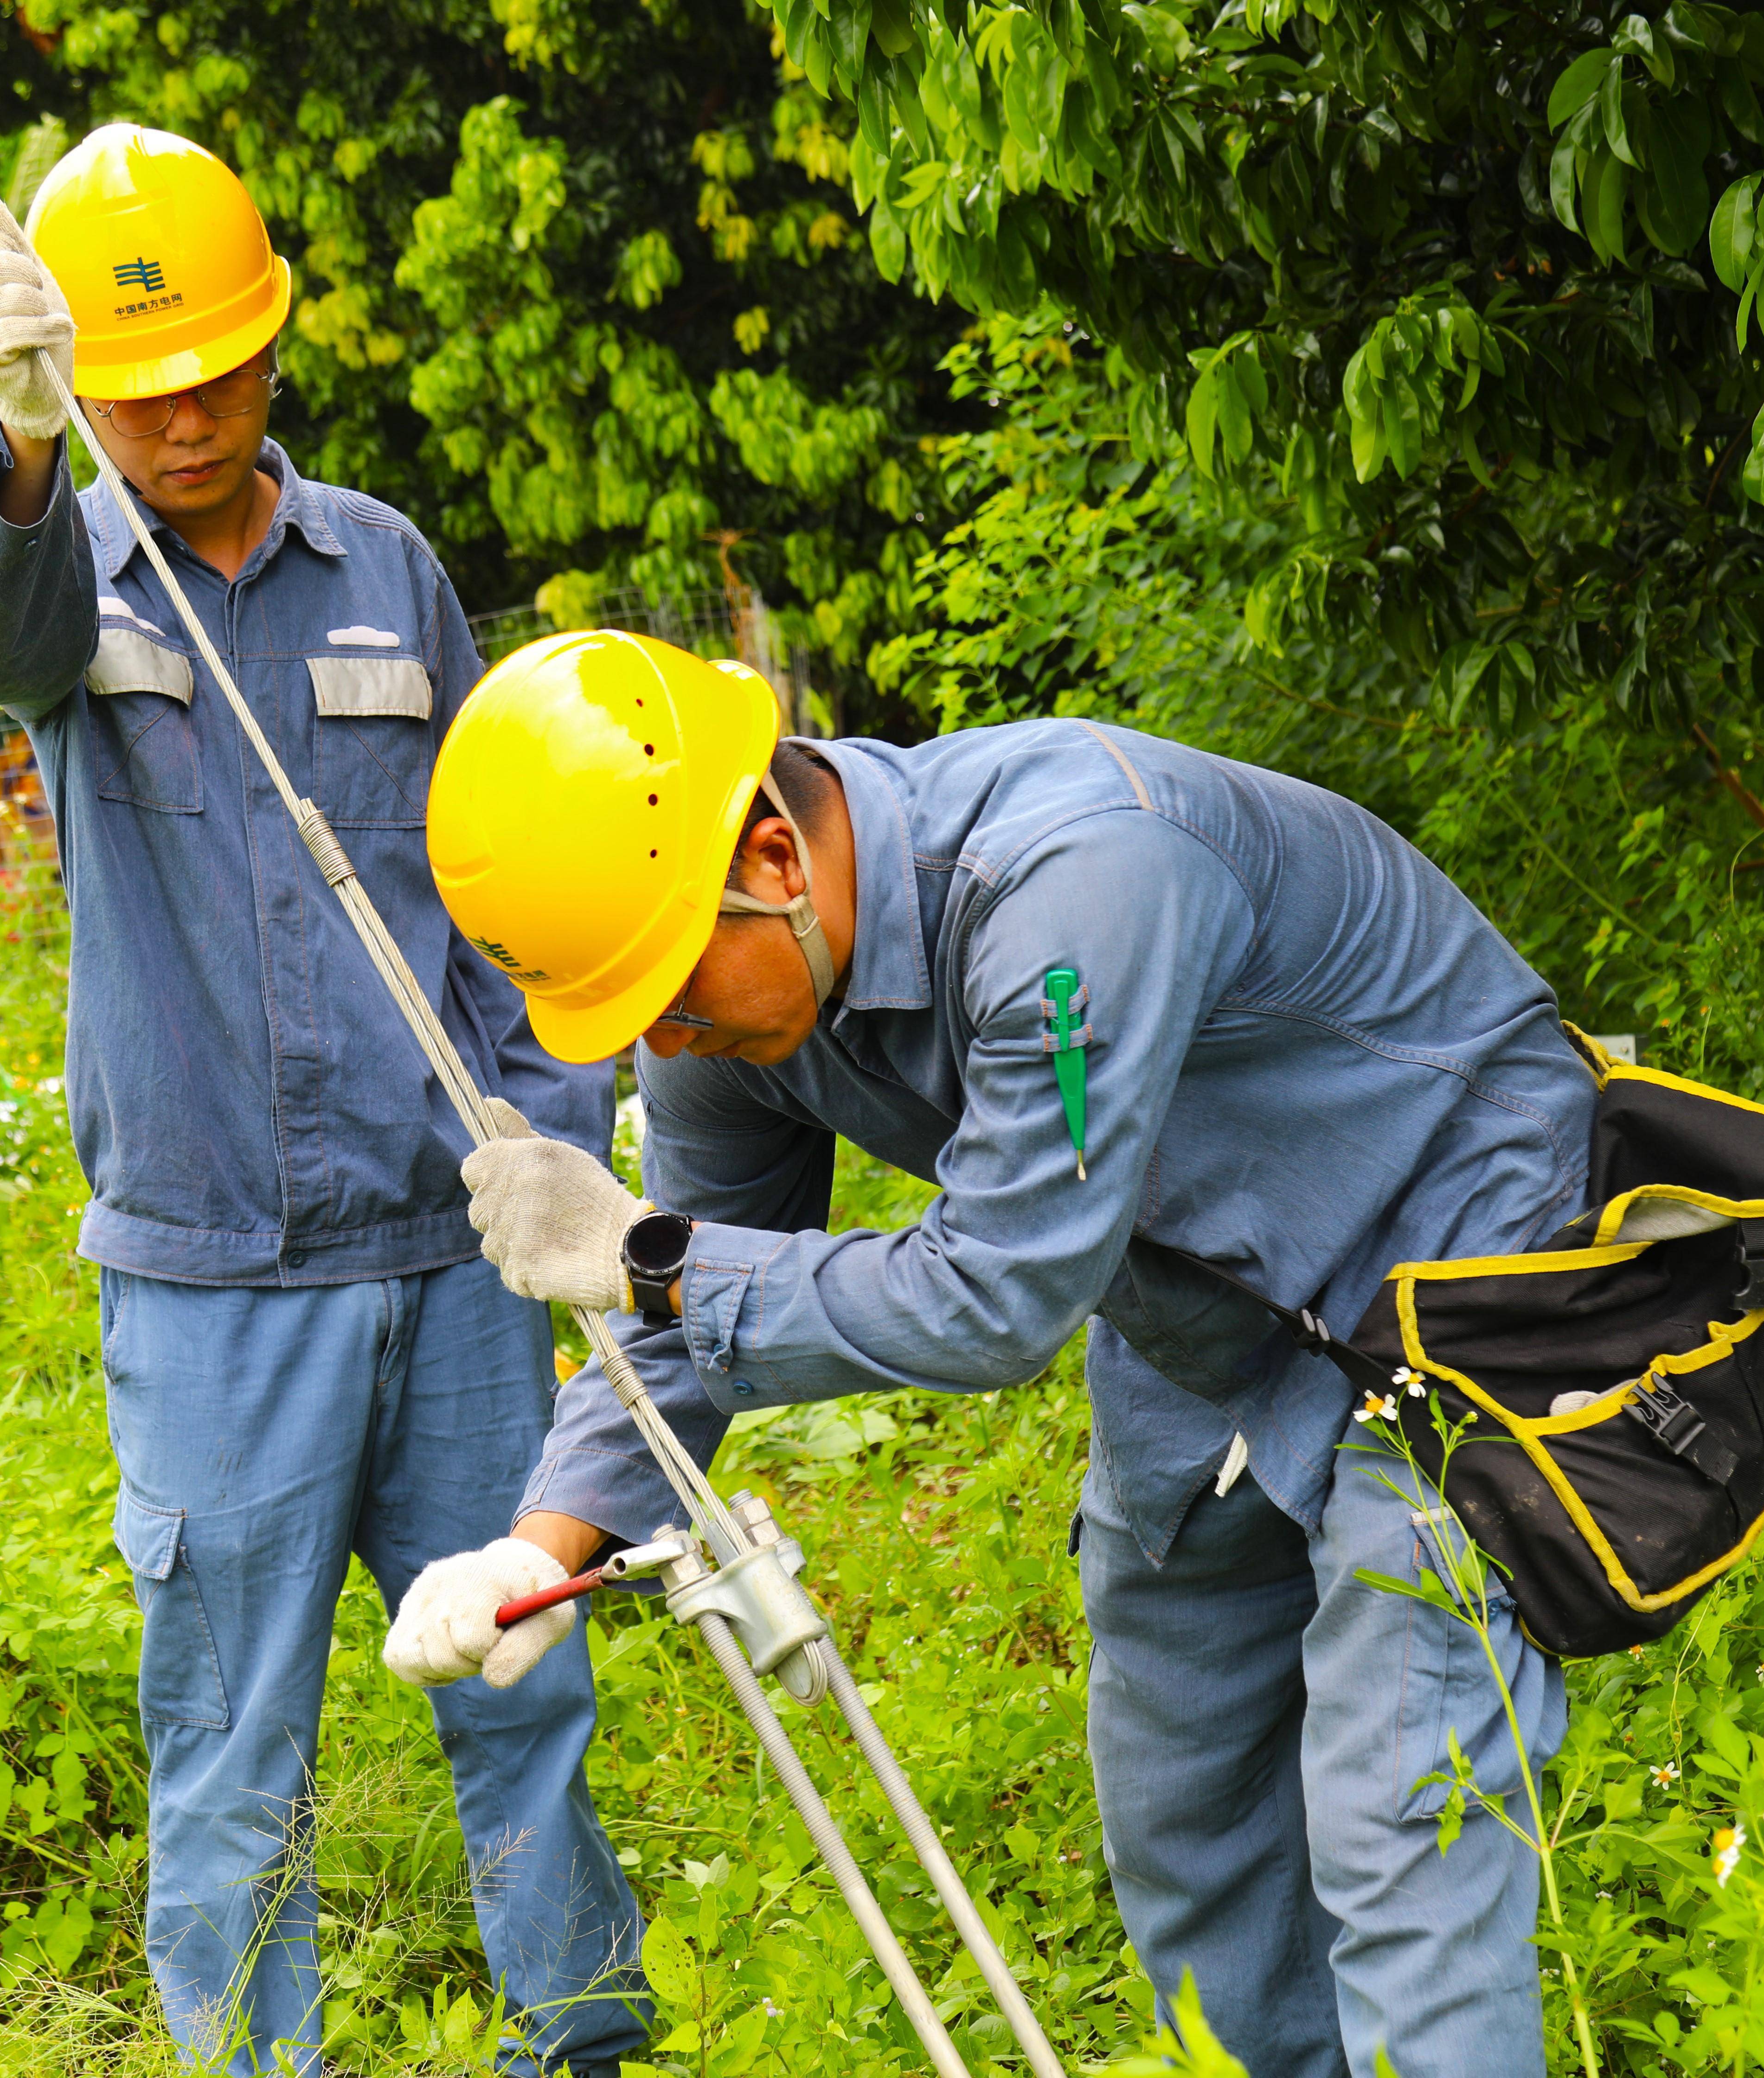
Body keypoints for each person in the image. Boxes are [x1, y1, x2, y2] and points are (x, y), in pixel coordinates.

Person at [383, 630, 1592, 2078]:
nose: (668, 1040)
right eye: (634, 1016)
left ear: (770, 854)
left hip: (1454, 1264)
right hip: (1197, 1293)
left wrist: (648, 1255)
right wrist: (542, 1544)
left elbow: (1000, 1295)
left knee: (1404, 1814)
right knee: (1184, 1796)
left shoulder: (1077, 879)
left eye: (671, 990)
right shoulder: (726, 1007)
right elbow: (687, 1313)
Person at [0, 126, 647, 2077]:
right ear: (84, 382)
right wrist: (9, 449)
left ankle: (581, 2036)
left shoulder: (388, 569)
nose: (186, 420)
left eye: (220, 374)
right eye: (140, 392)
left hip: (446, 1255)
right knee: (235, 1746)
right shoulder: (65, 563)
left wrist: (555, 1143)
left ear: (273, 349)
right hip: (211, 1280)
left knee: (522, 1678)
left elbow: (497, 883)